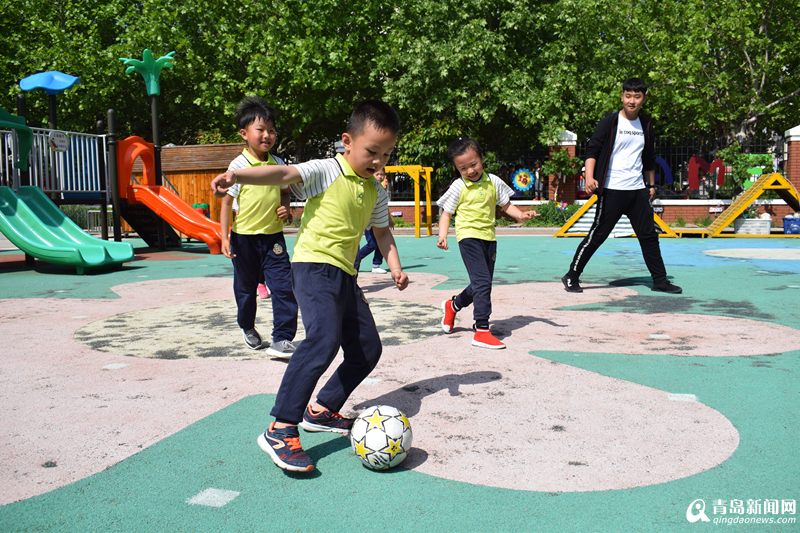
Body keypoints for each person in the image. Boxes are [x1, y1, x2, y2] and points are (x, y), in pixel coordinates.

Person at [211, 100, 408, 472]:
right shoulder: (327, 169)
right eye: (371, 151)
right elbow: (283, 175)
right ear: (347, 141)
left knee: (367, 348)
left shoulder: (376, 192)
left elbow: (382, 231)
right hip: (313, 265)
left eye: (385, 154)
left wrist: (395, 267)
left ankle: (321, 410)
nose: (378, 161)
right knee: (323, 338)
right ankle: (281, 427)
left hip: (345, 273)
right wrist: (237, 178)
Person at [561, 78, 682, 294]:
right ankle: (572, 275)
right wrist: (589, 178)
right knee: (597, 235)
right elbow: (592, 151)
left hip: (637, 190)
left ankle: (660, 280)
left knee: (649, 236)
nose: (632, 101)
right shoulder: (610, 122)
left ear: (643, 98)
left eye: (637, 96)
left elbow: (648, 158)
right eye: (628, 96)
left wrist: (651, 185)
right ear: (622, 97)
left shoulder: (646, 125)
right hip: (612, 189)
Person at [437, 137, 537, 349]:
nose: (470, 171)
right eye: (463, 168)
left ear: (482, 159)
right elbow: (446, 213)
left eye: (473, 164)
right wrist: (442, 235)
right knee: (483, 283)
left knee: (480, 284)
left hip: (489, 239)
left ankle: (452, 306)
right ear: (457, 169)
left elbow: (506, 205)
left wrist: (521, 215)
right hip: (468, 237)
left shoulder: (493, 182)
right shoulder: (458, 186)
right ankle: (482, 329)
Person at [219, 96, 299, 357]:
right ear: (244, 133)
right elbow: (226, 202)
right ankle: (247, 326)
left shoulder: (278, 165)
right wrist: (223, 237)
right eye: (261, 129)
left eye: (272, 130)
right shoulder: (238, 166)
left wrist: (285, 208)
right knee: (245, 290)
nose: (267, 135)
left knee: (284, 286)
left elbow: (285, 192)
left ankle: (282, 338)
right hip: (243, 239)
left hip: (273, 238)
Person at [354, 167, 394, 274]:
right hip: (369, 222)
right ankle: (355, 259)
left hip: (378, 221)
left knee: (382, 241)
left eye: (382, 174)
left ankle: (376, 265)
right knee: (372, 244)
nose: (380, 177)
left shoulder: (381, 189)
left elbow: (384, 206)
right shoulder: (367, 186)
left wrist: (389, 219)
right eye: (377, 174)